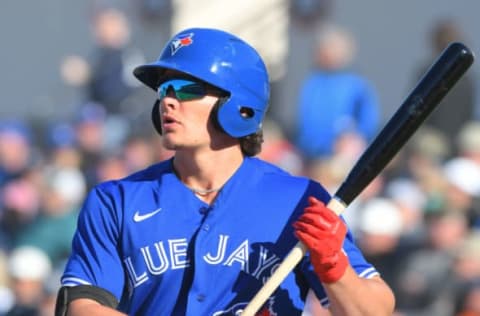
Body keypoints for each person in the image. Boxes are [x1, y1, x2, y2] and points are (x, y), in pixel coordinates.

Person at [55, 28, 394, 315]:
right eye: (164, 91)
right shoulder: (116, 200)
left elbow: (376, 309)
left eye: (187, 89)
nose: (168, 102)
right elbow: (83, 305)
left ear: (240, 106)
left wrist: (334, 267)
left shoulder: (298, 199)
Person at [293, 24, 380, 161]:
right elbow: (305, 122)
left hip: (342, 157)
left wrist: (350, 140)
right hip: (311, 156)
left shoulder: (356, 85)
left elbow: (367, 124)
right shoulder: (313, 83)